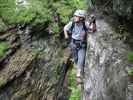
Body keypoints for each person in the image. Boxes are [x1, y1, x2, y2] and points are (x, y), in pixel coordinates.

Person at [64, 9, 96, 84]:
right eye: (74, 16)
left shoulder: (85, 24)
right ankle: (75, 65)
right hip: (73, 44)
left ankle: (78, 76)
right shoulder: (72, 23)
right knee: (76, 59)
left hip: (82, 46)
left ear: (81, 18)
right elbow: (65, 28)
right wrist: (66, 36)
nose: (74, 17)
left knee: (81, 60)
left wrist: (94, 22)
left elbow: (93, 30)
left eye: (76, 16)